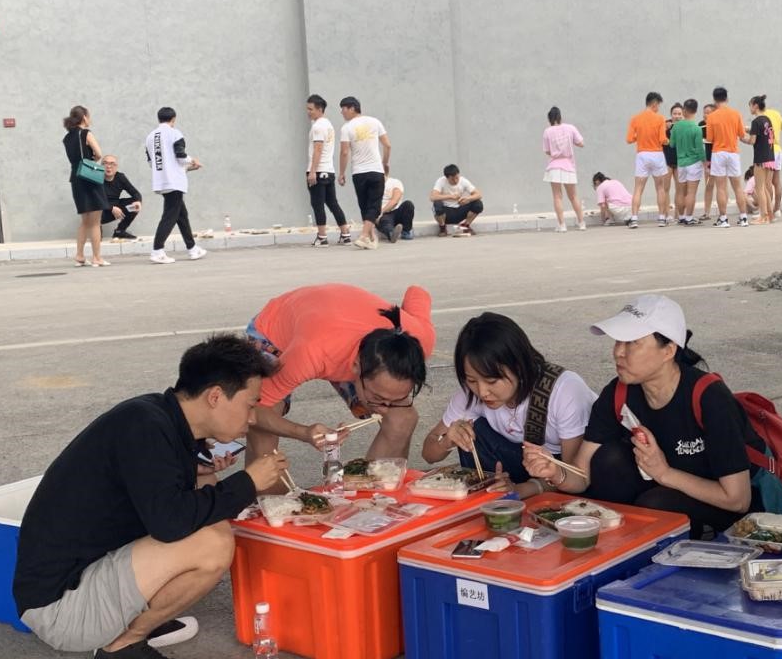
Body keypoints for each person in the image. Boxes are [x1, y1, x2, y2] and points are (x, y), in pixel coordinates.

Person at [13, 334, 288, 659]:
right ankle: (120, 648)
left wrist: (204, 475)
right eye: (250, 404)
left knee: (207, 509)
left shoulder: (159, 418)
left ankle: (131, 621)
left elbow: (173, 503)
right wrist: (247, 483)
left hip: (82, 575)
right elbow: (171, 525)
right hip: (61, 607)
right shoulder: (145, 427)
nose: (252, 418)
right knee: (214, 543)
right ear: (215, 396)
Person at [522, 295, 764, 536]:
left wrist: (664, 473)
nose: (618, 352)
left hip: (725, 506)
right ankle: (620, 544)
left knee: (656, 505)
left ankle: (695, 541)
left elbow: (737, 500)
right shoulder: (618, 393)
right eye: (618, 341)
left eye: (632, 342)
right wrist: (555, 472)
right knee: (608, 459)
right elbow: (582, 476)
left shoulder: (709, 398)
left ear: (668, 350)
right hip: (661, 486)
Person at [243, 283, 434, 463]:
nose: (384, 409)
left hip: (336, 325)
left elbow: (417, 292)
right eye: (378, 398)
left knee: (402, 418)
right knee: (263, 430)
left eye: (394, 399)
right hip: (277, 331)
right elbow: (254, 409)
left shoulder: (417, 342)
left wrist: (390, 403)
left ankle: (381, 484)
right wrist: (304, 432)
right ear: (356, 367)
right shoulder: (312, 352)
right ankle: (264, 488)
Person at [422, 313, 597, 498]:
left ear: (518, 367)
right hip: (519, 465)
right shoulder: (470, 395)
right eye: (472, 380)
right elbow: (428, 453)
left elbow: (576, 477)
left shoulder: (563, 391)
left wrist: (521, 490)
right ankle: (491, 490)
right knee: (472, 430)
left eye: (491, 381)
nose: (482, 392)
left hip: (560, 471)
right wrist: (448, 441)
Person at [144, 106, 206, 265]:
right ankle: (157, 250)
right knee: (169, 216)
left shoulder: (150, 137)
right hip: (175, 182)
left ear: (159, 118)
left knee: (181, 215)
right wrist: (193, 161)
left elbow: (151, 162)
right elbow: (180, 155)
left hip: (161, 181)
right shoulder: (175, 133)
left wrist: (181, 167)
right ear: (173, 119)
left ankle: (192, 248)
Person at [337, 96, 389, 250]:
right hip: (376, 170)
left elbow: (344, 152)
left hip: (359, 173)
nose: (342, 112)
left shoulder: (346, 128)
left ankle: (367, 237)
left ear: (352, 108)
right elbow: (387, 145)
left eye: (343, 109)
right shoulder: (375, 122)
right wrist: (385, 163)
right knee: (374, 206)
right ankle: (367, 236)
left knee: (365, 205)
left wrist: (341, 173)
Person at [62, 105, 109, 267]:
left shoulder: (67, 138)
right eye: (89, 116)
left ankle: (80, 255)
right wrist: (92, 160)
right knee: (95, 221)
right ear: (84, 117)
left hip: (76, 177)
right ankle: (97, 257)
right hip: (89, 176)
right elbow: (99, 153)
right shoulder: (85, 133)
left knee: (85, 221)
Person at [304, 94, 351, 247]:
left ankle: (322, 237)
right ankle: (345, 234)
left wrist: (312, 171)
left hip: (318, 171)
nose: (308, 112)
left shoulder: (318, 127)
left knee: (317, 204)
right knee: (332, 203)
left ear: (320, 109)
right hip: (329, 171)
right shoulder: (328, 125)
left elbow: (318, 149)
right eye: (307, 109)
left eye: (311, 109)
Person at [704, 86, 751, 229]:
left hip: (718, 153)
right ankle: (743, 217)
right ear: (727, 98)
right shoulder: (736, 114)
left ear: (714, 100)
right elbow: (741, 134)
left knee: (721, 187)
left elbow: (709, 139)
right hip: (733, 152)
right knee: (738, 187)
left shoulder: (711, 117)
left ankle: (723, 219)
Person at [625, 91, 670, 229]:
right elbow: (662, 139)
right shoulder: (660, 119)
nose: (658, 108)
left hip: (642, 154)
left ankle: (634, 218)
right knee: (660, 187)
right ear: (655, 103)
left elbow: (629, 139)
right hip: (657, 154)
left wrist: (639, 136)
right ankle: (661, 218)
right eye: (658, 105)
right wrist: (668, 141)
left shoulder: (635, 119)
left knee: (638, 188)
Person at [542, 106, 586, 232]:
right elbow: (581, 143)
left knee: (557, 197)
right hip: (568, 166)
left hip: (554, 166)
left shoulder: (547, 131)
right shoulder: (570, 128)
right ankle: (581, 223)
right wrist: (571, 143)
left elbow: (547, 151)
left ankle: (562, 225)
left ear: (549, 119)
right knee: (573, 196)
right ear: (560, 117)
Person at [670, 99, 705, 225]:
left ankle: (681, 217)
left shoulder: (676, 127)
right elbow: (700, 149)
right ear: (695, 111)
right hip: (694, 162)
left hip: (681, 163)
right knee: (691, 192)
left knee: (680, 191)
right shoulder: (696, 128)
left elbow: (672, 144)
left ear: (684, 110)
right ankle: (689, 218)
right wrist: (705, 162)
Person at [743, 95, 776, 224]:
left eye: (750, 105)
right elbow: (764, 135)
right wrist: (749, 130)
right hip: (770, 156)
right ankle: (770, 214)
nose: (750, 108)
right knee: (765, 188)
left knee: (759, 188)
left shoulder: (756, 121)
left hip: (760, 158)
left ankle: (763, 216)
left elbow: (752, 141)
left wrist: (742, 138)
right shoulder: (767, 119)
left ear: (755, 106)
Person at [430, 164, 484, 236]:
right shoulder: (441, 181)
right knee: (437, 204)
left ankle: (465, 225)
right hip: (446, 213)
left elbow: (479, 194)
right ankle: (442, 228)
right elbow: (432, 197)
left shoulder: (463, 181)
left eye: (457, 178)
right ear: (447, 178)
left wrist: (467, 199)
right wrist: (450, 197)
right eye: (452, 179)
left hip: (460, 209)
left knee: (478, 204)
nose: (455, 181)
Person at [100, 155, 142, 241]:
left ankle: (120, 231)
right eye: (105, 163)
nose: (108, 166)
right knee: (93, 211)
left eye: (112, 164)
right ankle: (96, 227)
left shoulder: (120, 177)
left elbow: (135, 193)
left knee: (135, 205)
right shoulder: (96, 178)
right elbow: (93, 199)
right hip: (100, 211)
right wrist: (111, 208)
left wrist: (138, 202)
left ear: (116, 167)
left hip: (116, 209)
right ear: (101, 166)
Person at [375, 166, 415, 242]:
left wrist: (381, 211)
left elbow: (395, 201)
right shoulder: (372, 187)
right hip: (384, 216)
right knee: (385, 222)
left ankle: (407, 231)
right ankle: (392, 234)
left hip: (396, 211)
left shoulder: (394, 182)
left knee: (408, 204)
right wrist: (375, 216)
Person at [662, 102, 684, 222]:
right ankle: (666, 214)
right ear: (671, 114)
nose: (677, 116)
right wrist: (666, 128)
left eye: (679, 114)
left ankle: (679, 214)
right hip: (667, 160)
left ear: (683, 114)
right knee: (665, 188)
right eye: (675, 113)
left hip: (680, 160)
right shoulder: (665, 125)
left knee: (680, 189)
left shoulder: (685, 126)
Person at [765, 100, 782, 218]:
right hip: (778, 149)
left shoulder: (762, 116)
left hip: (769, 150)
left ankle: (768, 211)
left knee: (767, 182)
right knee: (776, 181)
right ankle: (777, 209)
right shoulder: (776, 114)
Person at [699, 103, 716, 220]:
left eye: (709, 112)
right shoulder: (701, 125)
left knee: (722, 185)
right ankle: (707, 212)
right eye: (705, 112)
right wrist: (704, 161)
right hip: (707, 158)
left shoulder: (717, 124)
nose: (706, 115)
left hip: (718, 156)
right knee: (708, 185)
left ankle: (723, 212)